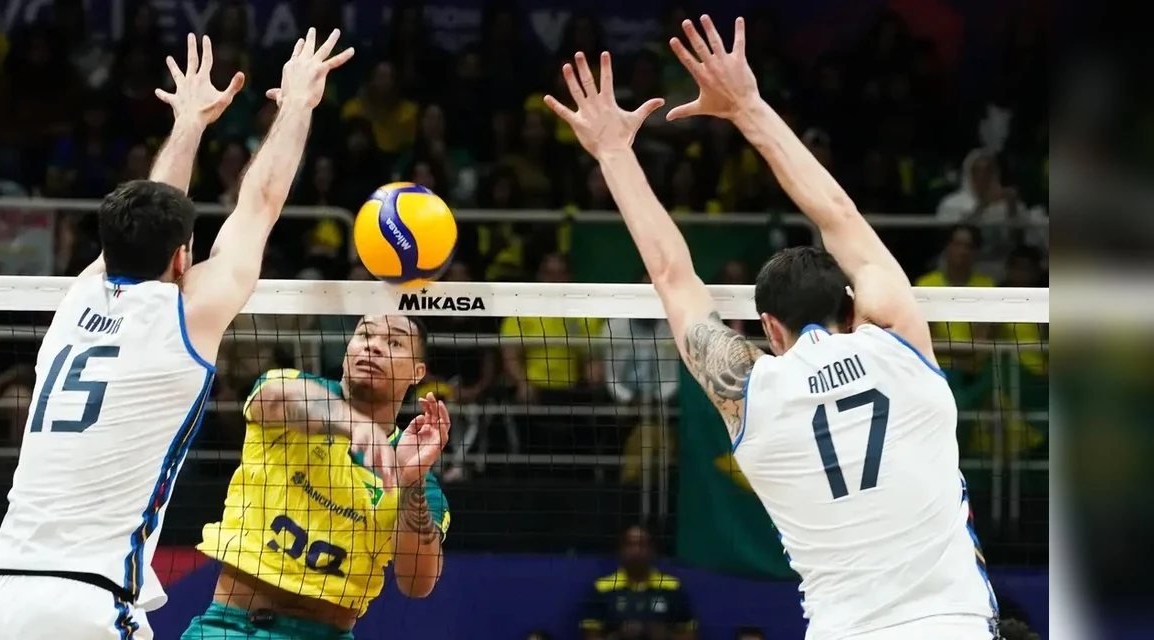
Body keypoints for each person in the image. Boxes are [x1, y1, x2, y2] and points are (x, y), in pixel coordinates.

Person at [543, 15, 998, 640]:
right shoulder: (898, 342)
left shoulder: (752, 392)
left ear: (767, 328)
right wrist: (748, 105)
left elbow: (671, 275)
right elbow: (837, 213)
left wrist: (614, 152)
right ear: (851, 303)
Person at [0, 30, 354, 639]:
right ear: (183, 259)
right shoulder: (186, 318)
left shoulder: (76, 299)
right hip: (87, 603)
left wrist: (186, 123)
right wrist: (295, 108)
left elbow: (152, 210)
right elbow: (258, 204)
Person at [182, 313, 451, 640]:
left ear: (417, 372)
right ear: (348, 349)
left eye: (393, 342)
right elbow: (276, 401)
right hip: (233, 628)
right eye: (365, 335)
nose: (375, 347)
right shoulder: (292, 387)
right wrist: (354, 423)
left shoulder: (418, 476)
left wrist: (412, 481)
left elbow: (417, 583)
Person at [580, 525, 697, 640]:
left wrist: (666, 636)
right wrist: (618, 636)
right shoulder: (602, 588)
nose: (636, 551)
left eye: (642, 545)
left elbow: (690, 635)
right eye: (630, 545)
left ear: (653, 551)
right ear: (620, 551)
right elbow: (590, 636)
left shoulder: (672, 587)